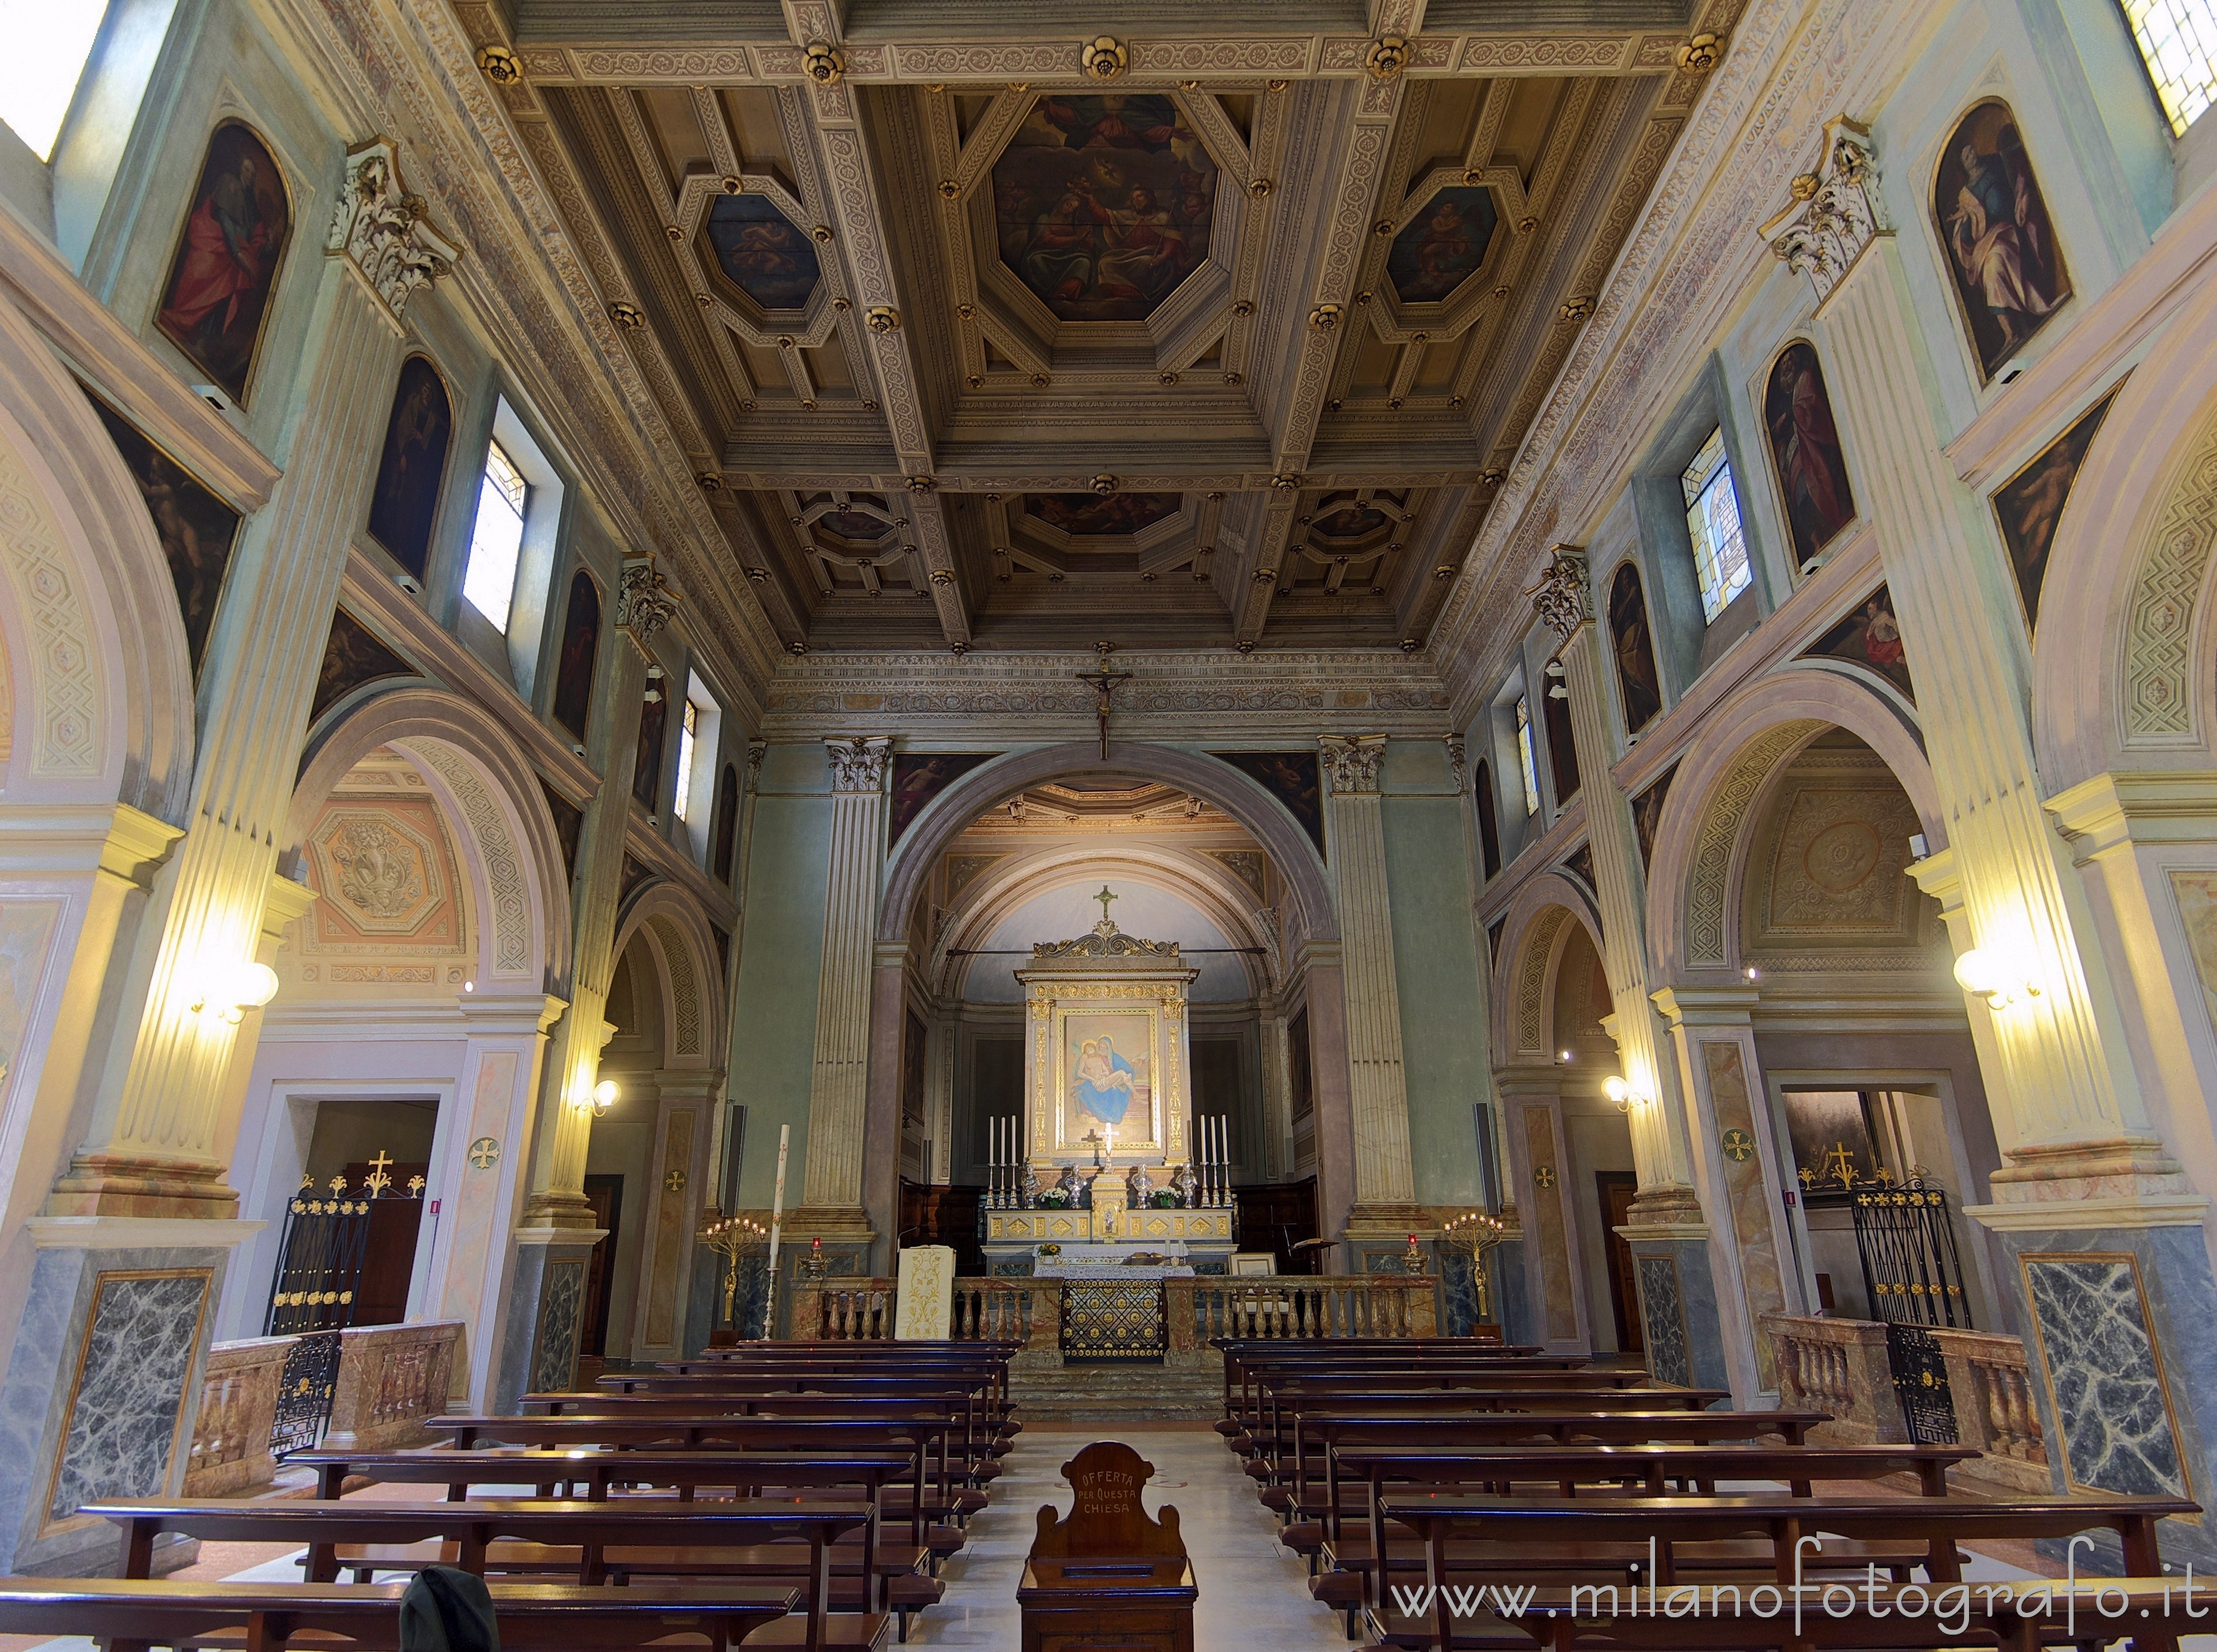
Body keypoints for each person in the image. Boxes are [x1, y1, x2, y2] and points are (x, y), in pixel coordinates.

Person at [160, 148, 276, 373]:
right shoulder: (229, 184)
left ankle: (203, 343)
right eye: (247, 170)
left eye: (253, 173)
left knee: (229, 288)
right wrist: (237, 252)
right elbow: (224, 219)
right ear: (240, 169)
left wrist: (268, 244)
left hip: (234, 257)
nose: (250, 176)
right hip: (217, 244)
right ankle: (186, 327)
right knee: (213, 274)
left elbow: (257, 244)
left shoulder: (253, 207)